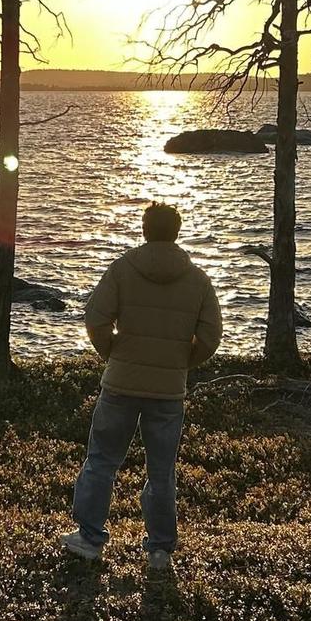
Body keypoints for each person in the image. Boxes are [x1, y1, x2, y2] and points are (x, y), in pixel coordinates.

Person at [63, 201, 223, 571]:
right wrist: (182, 362)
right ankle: (160, 549)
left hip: (120, 383)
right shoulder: (198, 279)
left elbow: (96, 319)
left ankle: (89, 537)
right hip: (168, 390)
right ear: (177, 231)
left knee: (102, 460)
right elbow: (211, 336)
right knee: (161, 470)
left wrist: (113, 353)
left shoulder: (122, 269)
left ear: (144, 229)